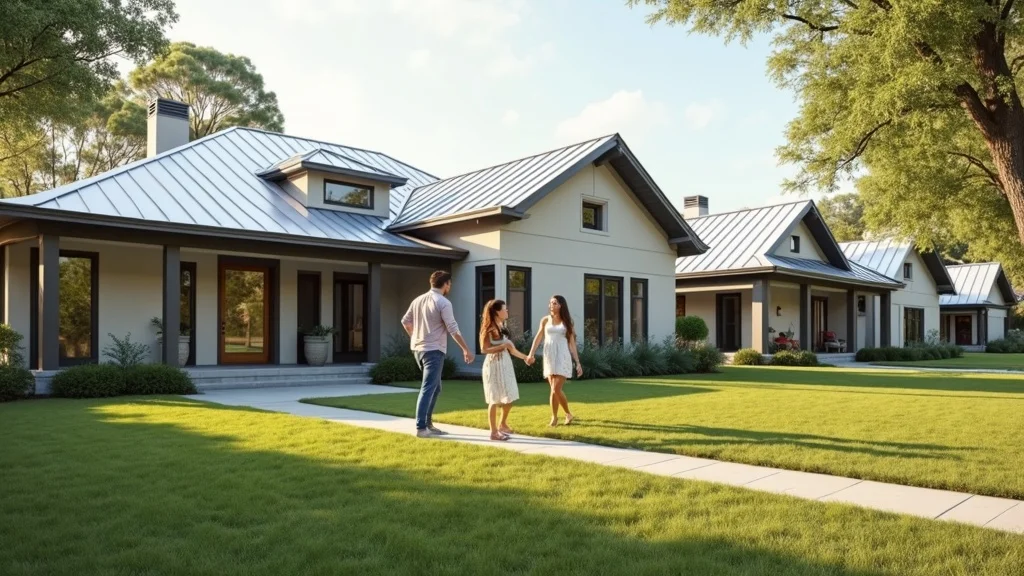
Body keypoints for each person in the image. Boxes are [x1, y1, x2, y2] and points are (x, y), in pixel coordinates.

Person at [401, 270, 474, 438]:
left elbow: (405, 321)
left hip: (418, 350)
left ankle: (428, 424)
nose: (450, 287)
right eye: (450, 284)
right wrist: (466, 349)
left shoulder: (417, 300)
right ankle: (421, 427)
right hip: (433, 350)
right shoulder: (443, 302)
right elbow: (453, 328)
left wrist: (415, 337)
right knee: (428, 388)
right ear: (446, 284)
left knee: (435, 387)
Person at [479, 299, 532, 441]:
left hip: (505, 364)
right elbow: (484, 349)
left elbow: (511, 349)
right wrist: (502, 347)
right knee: (494, 399)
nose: (507, 311)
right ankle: (493, 432)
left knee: (509, 396)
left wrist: (525, 358)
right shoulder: (489, 328)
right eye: (504, 309)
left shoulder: (502, 325)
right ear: (497, 311)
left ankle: (502, 424)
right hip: (493, 365)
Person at [527, 295, 583, 426]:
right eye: (550, 303)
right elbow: (538, 337)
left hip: (562, 355)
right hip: (549, 355)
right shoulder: (545, 320)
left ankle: (568, 413)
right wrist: (531, 354)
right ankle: (554, 418)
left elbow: (572, 343)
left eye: (554, 303)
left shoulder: (568, 322)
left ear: (561, 305)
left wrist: (577, 362)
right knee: (552, 388)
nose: (551, 305)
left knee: (556, 389)